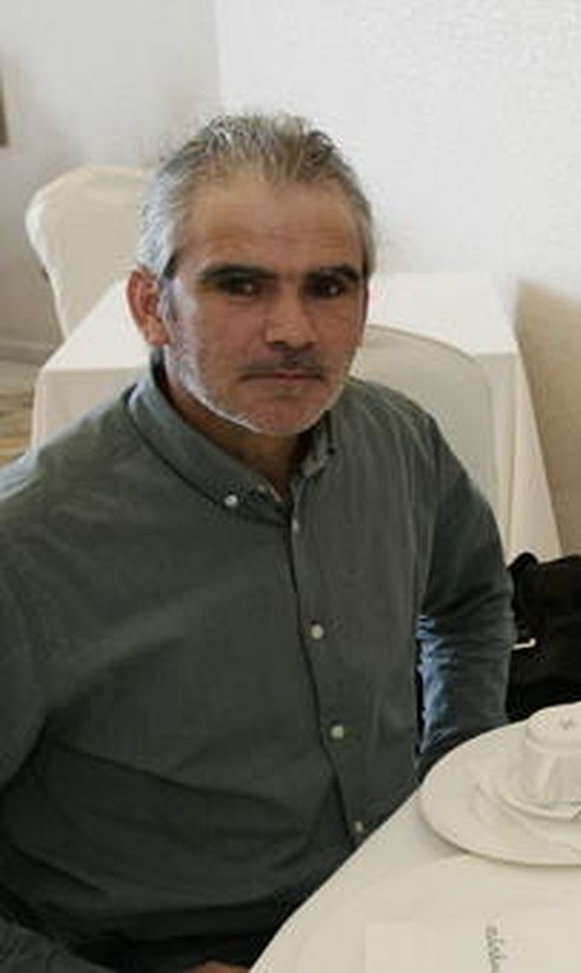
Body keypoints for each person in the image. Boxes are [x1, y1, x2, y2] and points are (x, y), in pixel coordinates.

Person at [0, 113, 513, 971]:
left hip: (406, 906)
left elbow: (470, 601)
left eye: (328, 286)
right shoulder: (31, 547)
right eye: (240, 286)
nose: (293, 330)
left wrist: (455, 764)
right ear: (149, 306)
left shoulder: (399, 440)